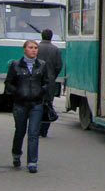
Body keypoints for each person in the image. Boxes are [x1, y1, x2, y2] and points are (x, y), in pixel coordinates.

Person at [4, 40, 51, 173]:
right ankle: (16, 154)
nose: (34, 50)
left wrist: (41, 92)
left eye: (35, 48)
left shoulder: (42, 65)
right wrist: (17, 92)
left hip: (36, 104)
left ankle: (32, 162)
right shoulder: (15, 65)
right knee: (20, 131)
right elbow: (8, 83)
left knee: (33, 133)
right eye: (31, 47)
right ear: (24, 49)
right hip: (20, 104)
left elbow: (46, 82)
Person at [35, 29, 63, 138]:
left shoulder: (36, 48)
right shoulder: (56, 50)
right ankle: (44, 130)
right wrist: (52, 77)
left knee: (36, 104)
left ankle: (35, 128)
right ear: (51, 37)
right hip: (50, 81)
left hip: (36, 80)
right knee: (48, 105)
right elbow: (58, 66)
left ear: (42, 36)